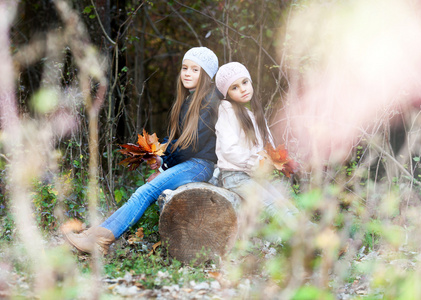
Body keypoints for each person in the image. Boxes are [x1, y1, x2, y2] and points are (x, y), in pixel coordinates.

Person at [62, 47, 221, 255]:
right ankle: (95, 234)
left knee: (145, 192)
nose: (187, 73)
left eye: (195, 70)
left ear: (207, 76)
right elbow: (175, 139)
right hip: (190, 163)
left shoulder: (208, 103)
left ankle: (100, 240)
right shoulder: (188, 101)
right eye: (185, 68)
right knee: (143, 192)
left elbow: (191, 145)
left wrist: (164, 167)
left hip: (200, 165)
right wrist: (160, 155)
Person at [214, 62, 299, 233]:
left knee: (285, 204)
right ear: (227, 94)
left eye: (245, 82)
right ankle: (312, 244)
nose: (243, 89)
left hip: (253, 175)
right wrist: (256, 163)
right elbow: (229, 149)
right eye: (235, 88)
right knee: (277, 209)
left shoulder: (252, 112)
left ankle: (319, 236)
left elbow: (265, 146)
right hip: (236, 176)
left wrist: (278, 161)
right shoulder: (227, 111)